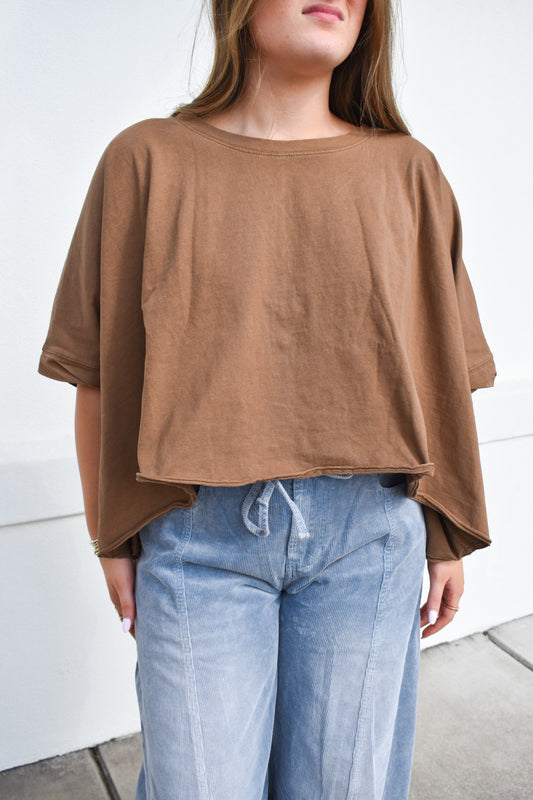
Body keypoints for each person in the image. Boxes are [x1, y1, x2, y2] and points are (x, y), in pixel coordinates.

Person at [38, 0, 497, 798]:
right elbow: (98, 370)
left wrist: (444, 534)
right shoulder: (145, 159)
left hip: (370, 539)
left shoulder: (407, 170)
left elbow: (439, 375)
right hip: (196, 537)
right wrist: (112, 536)